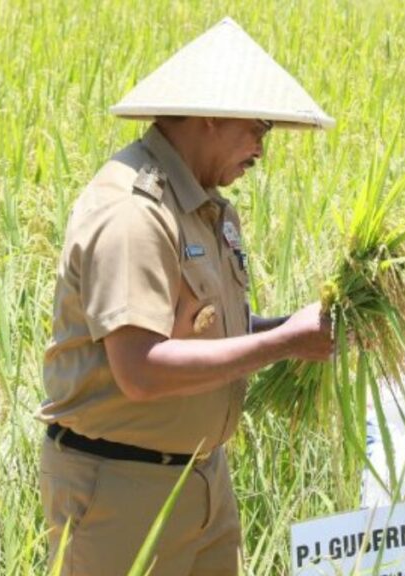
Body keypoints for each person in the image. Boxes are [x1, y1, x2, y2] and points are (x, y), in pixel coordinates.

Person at [36, 17, 335, 575]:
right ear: (211, 116)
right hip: (121, 491)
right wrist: (287, 343)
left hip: (201, 480)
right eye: (259, 129)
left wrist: (289, 328)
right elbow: (142, 369)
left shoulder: (204, 204)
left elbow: (206, 335)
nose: (261, 151)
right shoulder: (133, 212)